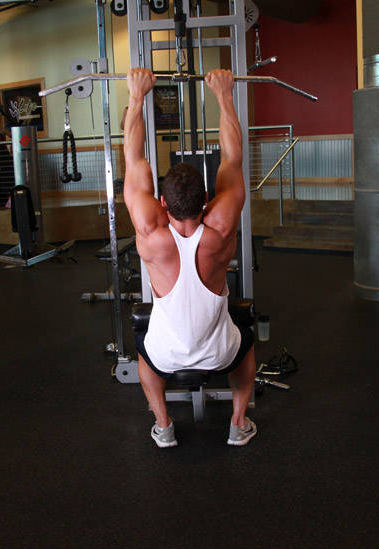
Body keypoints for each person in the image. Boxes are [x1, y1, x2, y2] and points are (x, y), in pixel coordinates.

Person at [123, 68, 257, 448]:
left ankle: (163, 426)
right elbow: (232, 158)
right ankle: (237, 422)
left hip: (166, 354)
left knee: (145, 359)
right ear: (206, 200)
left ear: (162, 204)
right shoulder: (221, 226)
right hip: (219, 351)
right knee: (246, 347)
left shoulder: (151, 231)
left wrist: (138, 96)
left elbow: (134, 159)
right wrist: (223, 94)